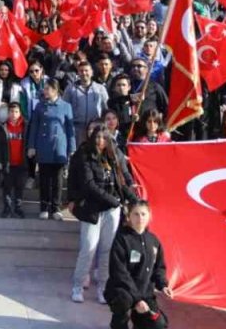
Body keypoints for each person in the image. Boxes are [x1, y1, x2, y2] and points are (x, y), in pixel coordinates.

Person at [69, 123, 130, 303]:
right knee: (88, 248)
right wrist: (114, 201)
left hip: (112, 210)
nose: (100, 141)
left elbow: (122, 181)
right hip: (92, 209)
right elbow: (89, 185)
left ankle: (103, 288)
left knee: (107, 250)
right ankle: (77, 286)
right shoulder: (84, 156)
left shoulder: (113, 157)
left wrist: (130, 198)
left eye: (104, 138)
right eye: (97, 137)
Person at [105, 200, 172, 329]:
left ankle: (139, 321)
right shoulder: (122, 239)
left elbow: (159, 267)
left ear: (149, 216)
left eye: (143, 214)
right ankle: (118, 324)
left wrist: (163, 285)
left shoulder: (154, 241)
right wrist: (136, 300)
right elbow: (119, 272)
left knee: (159, 325)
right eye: (135, 214)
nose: (140, 218)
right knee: (123, 301)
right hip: (123, 291)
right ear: (129, 216)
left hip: (145, 293)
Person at [28, 78, 75, 219]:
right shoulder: (40, 106)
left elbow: (70, 128)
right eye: (45, 88)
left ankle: (56, 208)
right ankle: (44, 207)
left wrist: (71, 147)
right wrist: (31, 146)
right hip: (43, 145)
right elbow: (34, 127)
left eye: (48, 88)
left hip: (59, 146)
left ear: (55, 90)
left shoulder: (66, 106)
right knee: (44, 179)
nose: (45, 91)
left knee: (58, 180)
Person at [0, 102, 28, 218]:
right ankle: (7, 208)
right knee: (7, 186)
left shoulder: (25, 126)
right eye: (11, 111)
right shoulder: (3, 127)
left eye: (16, 112)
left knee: (19, 186)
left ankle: (18, 208)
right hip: (8, 163)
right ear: (8, 113)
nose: (14, 114)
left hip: (21, 163)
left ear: (20, 113)